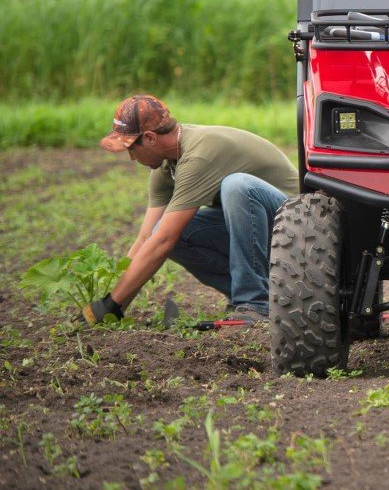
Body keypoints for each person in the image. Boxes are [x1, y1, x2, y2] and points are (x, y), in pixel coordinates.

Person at [79, 95, 299, 325]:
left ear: (150, 138)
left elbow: (164, 240)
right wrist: (112, 305)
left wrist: (110, 304)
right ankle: (269, 295)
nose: (132, 157)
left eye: (131, 148)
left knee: (237, 186)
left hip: (297, 232)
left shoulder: (198, 155)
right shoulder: (166, 165)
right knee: (161, 231)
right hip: (263, 233)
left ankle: (255, 303)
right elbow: (147, 239)